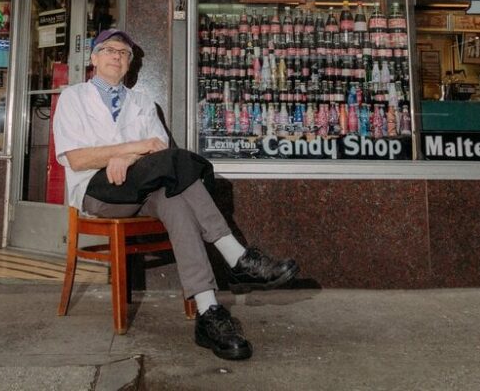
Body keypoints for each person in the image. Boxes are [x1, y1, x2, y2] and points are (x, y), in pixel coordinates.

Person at [52, 29, 299, 361]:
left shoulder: (141, 102)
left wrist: (127, 158)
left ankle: (209, 313)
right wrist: (133, 148)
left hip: (142, 189)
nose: (117, 56)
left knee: (177, 200)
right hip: (97, 191)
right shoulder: (73, 97)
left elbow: (159, 152)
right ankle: (235, 256)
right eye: (109, 50)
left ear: (129, 64)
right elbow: (77, 158)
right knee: (180, 162)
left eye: (124, 53)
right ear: (94, 58)